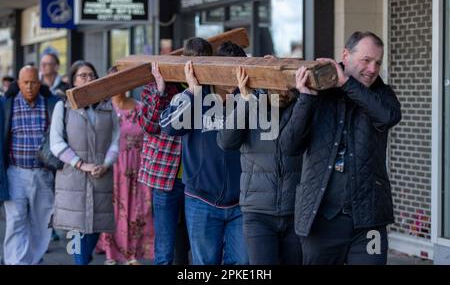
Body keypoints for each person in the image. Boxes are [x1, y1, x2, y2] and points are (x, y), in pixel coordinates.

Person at [279, 31, 402, 265]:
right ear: (346, 55)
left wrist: (347, 83)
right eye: (366, 60)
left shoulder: (382, 95)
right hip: (320, 219)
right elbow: (289, 147)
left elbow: (387, 117)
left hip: (369, 222)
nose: (373, 69)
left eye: (378, 62)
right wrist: (306, 98)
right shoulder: (317, 93)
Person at [160, 38, 248, 265]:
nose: (233, 79)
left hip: (241, 202)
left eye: (238, 72)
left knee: (242, 263)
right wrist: (192, 92)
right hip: (201, 199)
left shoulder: (246, 99)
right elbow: (168, 127)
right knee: (204, 264)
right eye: (228, 72)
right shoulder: (191, 96)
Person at [217, 43, 303, 264]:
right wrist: (247, 101)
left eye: (286, 83)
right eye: (275, 82)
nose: (282, 89)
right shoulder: (250, 102)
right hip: (258, 212)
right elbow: (226, 141)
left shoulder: (300, 106)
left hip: (295, 210)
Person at [49, 60, 119, 265]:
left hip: (101, 177)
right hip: (73, 180)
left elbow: (117, 138)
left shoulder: (107, 107)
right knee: (77, 235)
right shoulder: (63, 107)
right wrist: (81, 164)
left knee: (95, 229)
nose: (88, 79)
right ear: (73, 80)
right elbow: (55, 142)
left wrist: (106, 163)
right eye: (83, 75)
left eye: (91, 75)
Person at [95, 67, 154, 265]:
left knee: (138, 210)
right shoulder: (102, 110)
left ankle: (133, 254)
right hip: (111, 168)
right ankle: (112, 253)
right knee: (112, 211)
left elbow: (150, 137)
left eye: (122, 81)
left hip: (138, 167)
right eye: (114, 81)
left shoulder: (139, 108)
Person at [2, 66, 59, 265]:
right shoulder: (6, 105)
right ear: (18, 83)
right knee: (16, 220)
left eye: (33, 82)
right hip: (15, 172)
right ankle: (16, 262)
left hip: (43, 174)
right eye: (25, 82)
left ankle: (33, 260)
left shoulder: (51, 104)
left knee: (41, 222)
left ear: (39, 82)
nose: (29, 86)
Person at [137, 63, 190, 265]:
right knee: (165, 247)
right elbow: (150, 126)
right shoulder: (154, 88)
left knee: (189, 245)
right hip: (166, 178)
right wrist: (160, 90)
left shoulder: (207, 87)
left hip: (197, 180)